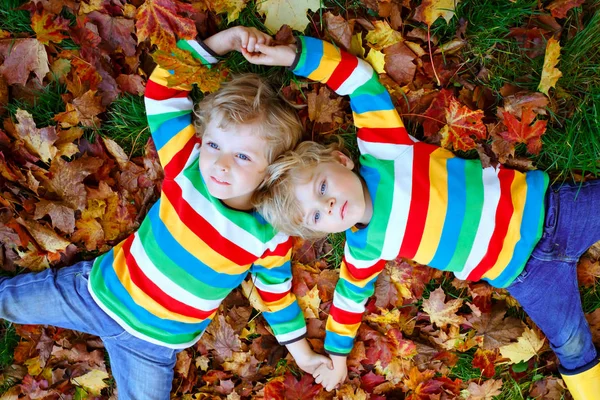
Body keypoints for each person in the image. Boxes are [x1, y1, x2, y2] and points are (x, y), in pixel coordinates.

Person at [242, 36, 600, 399]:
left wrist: (291, 54)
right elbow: (348, 302)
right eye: (317, 216)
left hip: (555, 212)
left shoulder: (384, 150)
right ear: (320, 232)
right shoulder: (365, 249)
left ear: (340, 160)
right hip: (527, 276)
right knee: (572, 347)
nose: (330, 205)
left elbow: (359, 81)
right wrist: (335, 356)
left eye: (322, 189)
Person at [0, 27, 331, 400]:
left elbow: (277, 293)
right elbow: (162, 92)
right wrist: (220, 44)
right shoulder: (188, 167)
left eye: (242, 156)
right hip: (99, 293)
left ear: (273, 170)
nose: (220, 165)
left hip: (153, 348)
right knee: (9, 302)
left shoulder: (269, 232)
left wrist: (302, 352)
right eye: (214, 144)